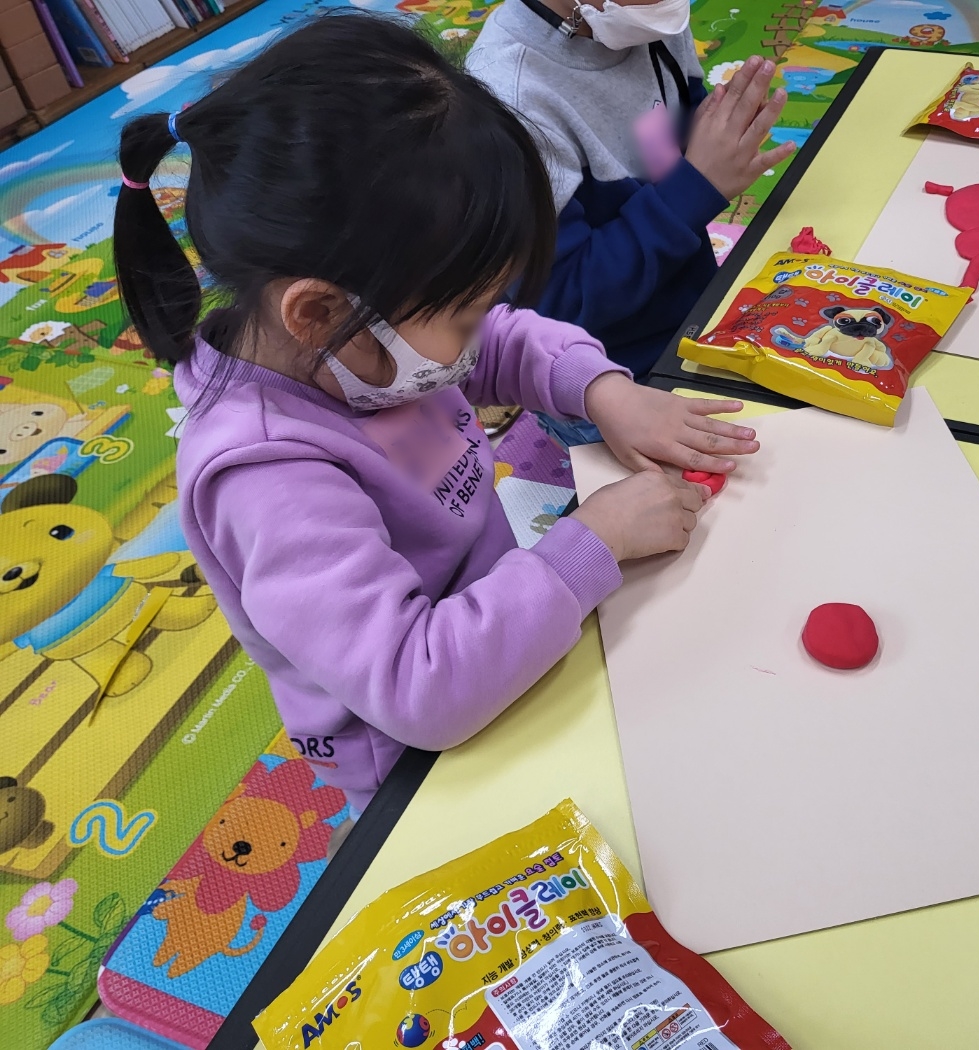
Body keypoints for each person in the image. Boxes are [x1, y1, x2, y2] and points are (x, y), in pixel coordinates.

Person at [112, 11, 759, 810]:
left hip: (512, 642)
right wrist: (595, 539)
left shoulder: (357, 342)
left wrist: (604, 390)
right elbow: (418, 688)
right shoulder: (265, 477)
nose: (480, 333)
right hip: (425, 773)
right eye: (464, 315)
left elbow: (505, 340)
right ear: (317, 312)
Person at [467, 0, 795, 444]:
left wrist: (721, 137)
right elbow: (562, 304)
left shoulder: (646, 21)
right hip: (614, 381)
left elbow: (666, 146)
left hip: (696, 319)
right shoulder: (511, 97)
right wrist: (695, 187)